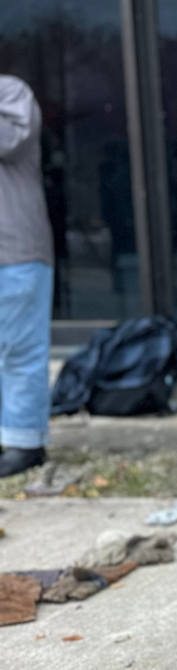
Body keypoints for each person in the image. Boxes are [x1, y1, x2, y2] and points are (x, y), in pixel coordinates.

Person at [0, 75, 52, 479]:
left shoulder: (10, 91)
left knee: (19, 351)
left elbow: (9, 140)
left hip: (14, 251)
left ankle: (24, 442)